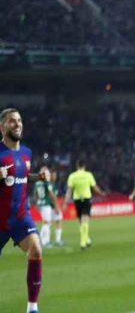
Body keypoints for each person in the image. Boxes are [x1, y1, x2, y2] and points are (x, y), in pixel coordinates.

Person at [0, 108, 48, 313]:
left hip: (20, 217)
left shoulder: (26, 153)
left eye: (19, 120)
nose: (17, 124)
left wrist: (39, 177)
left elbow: (22, 177)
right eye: (12, 121)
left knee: (36, 249)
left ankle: (32, 308)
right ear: (2, 127)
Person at [63, 159, 107, 250]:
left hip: (77, 200)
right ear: (84, 166)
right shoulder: (88, 175)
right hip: (86, 199)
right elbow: (95, 188)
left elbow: (69, 190)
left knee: (81, 221)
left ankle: (86, 239)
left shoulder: (72, 176)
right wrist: (102, 193)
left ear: (77, 166)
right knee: (85, 220)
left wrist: (65, 202)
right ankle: (83, 242)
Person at [33, 166, 63, 247]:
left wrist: (36, 203)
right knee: (47, 223)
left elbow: (35, 194)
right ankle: (44, 242)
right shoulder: (46, 182)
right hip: (46, 204)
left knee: (46, 222)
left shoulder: (37, 182)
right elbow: (51, 194)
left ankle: (43, 240)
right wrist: (56, 205)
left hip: (41, 203)